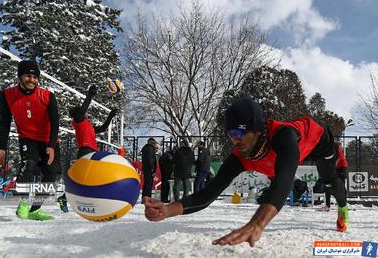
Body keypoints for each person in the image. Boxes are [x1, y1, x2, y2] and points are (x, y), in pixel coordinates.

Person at [143, 98, 349, 247]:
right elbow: (210, 193)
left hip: (318, 142)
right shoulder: (239, 157)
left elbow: (285, 177)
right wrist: (168, 210)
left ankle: (343, 206)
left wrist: (257, 224)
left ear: (258, 130)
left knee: (329, 180)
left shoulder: (283, 137)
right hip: (286, 157)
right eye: (230, 135)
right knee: (275, 178)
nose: (235, 140)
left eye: (240, 133)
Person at [0, 60, 60, 221]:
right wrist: (2, 147)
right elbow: (4, 123)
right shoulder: (7, 96)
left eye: (35, 77)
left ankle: (35, 210)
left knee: (50, 174)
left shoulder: (48, 96)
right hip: (27, 139)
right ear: (20, 76)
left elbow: (55, 122)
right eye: (28, 76)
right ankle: (22, 205)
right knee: (28, 165)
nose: (32, 80)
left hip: (48, 139)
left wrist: (51, 145)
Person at [57, 85, 119, 212]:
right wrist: (89, 95)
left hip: (91, 152)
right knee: (91, 177)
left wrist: (110, 116)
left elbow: (102, 129)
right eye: (79, 110)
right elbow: (82, 110)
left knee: (85, 179)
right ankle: (71, 198)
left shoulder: (87, 125)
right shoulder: (78, 121)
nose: (81, 111)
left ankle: (65, 197)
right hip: (85, 151)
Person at [318, 142, 348, 211]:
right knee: (327, 186)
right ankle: (327, 206)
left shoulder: (335, 145)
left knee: (341, 187)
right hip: (334, 168)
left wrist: (331, 168)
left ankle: (343, 206)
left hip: (342, 167)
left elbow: (338, 158)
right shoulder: (325, 147)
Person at [141, 138, 159, 202]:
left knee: (146, 184)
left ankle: (144, 198)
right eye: (154, 143)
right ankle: (147, 199)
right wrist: (152, 169)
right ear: (151, 142)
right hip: (149, 169)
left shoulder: (146, 148)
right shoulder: (150, 148)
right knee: (148, 185)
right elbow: (150, 159)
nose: (155, 145)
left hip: (146, 168)